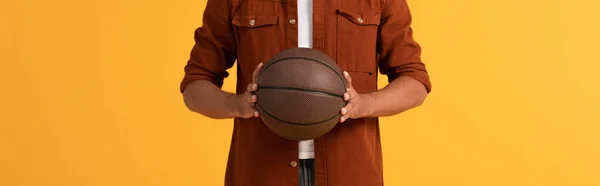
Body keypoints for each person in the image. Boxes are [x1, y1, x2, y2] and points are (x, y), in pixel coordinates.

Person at [180, 0, 431, 185]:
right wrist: (240, 104)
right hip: (261, 174)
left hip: (350, 173)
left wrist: (362, 104)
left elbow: (415, 81)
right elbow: (195, 85)